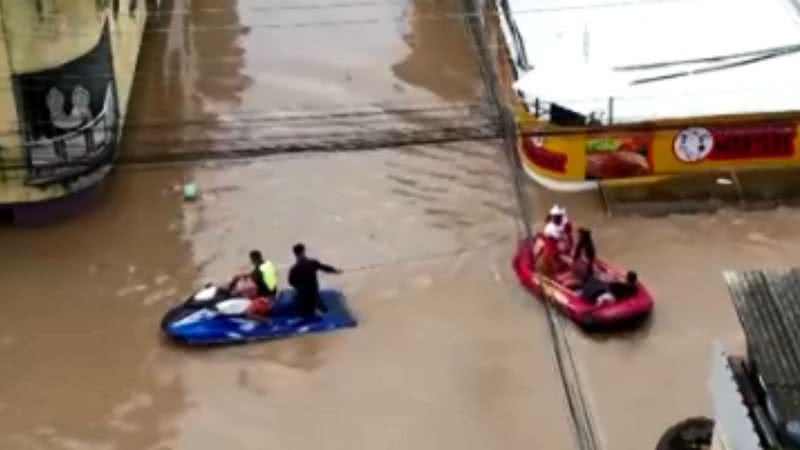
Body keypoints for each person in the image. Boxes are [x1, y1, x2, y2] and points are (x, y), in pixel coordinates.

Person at [288, 243, 341, 320]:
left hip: (302, 295)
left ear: (295, 254)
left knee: (300, 308)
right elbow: (325, 268)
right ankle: (317, 308)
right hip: (313, 292)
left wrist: (299, 287)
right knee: (323, 309)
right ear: (303, 251)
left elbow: (291, 282)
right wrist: (336, 271)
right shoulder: (313, 263)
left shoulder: (294, 269)